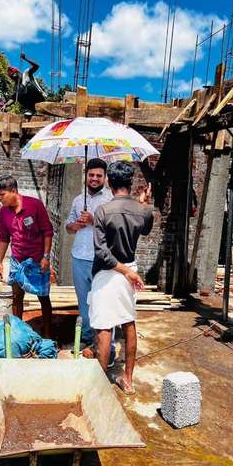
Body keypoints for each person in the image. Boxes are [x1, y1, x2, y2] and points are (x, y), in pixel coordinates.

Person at [88, 161, 153, 394]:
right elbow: (144, 228)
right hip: (129, 269)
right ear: (131, 182)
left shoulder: (103, 211)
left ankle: (99, 384)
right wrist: (143, 203)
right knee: (128, 322)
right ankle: (128, 380)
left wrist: (125, 271)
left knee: (104, 328)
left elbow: (102, 253)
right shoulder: (143, 210)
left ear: (109, 182)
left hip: (109, 272)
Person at [65, 159, 114, 360]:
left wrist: (94, 220)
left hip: (100, 259)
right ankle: (87, 338)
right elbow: (68, 227)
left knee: (103, 303)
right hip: (79, 256)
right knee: (83, 303)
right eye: (91, 175)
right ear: (86, 175)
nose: (94, 179)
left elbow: (114, 230)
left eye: (98, 176)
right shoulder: (78, 200)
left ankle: (107, 348)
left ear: (105, 178)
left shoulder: (111, 201)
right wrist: (76, 224)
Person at [0, 175, 53, 338]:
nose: (0, 199)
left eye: (2, 195)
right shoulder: (3, 212)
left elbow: (48, 231)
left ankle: (48, 333)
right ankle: (17, 331)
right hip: (17, 260)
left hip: (37, 259)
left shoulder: (35, 206)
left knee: (43, 297)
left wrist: (46, 256)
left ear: (13, 191)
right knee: (16, 296)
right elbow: (4, 237)